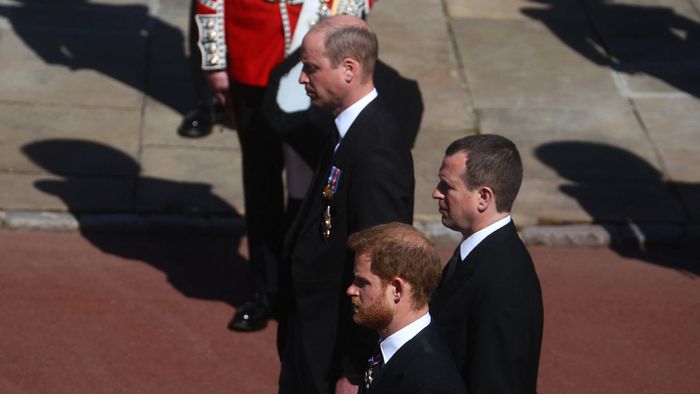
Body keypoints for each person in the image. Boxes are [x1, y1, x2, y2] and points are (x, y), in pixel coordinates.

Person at [189, 0, 373, 331]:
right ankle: (266, 290)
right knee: (261, 184)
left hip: (317, 66)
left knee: (311, 188)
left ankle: (302, 287)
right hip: (252, 61)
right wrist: (215, 64)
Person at [278, 15, 414, 394]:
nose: (303, 79)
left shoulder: (377, 150)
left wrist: (355, 369)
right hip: (312, 335)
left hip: (334, 348)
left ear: (349, 70)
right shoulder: (344, 130)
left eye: (311, 68)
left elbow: (381, 264)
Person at [430, 134, 544, 393]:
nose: (436, 193)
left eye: (447, 186)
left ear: (483, 197)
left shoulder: (504, 281)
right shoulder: (479, 253)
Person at [346, 223, 468, 394]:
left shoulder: (430, 383)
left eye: (362, 283)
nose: (351, 290)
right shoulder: (386, 350)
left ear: (396, 289)